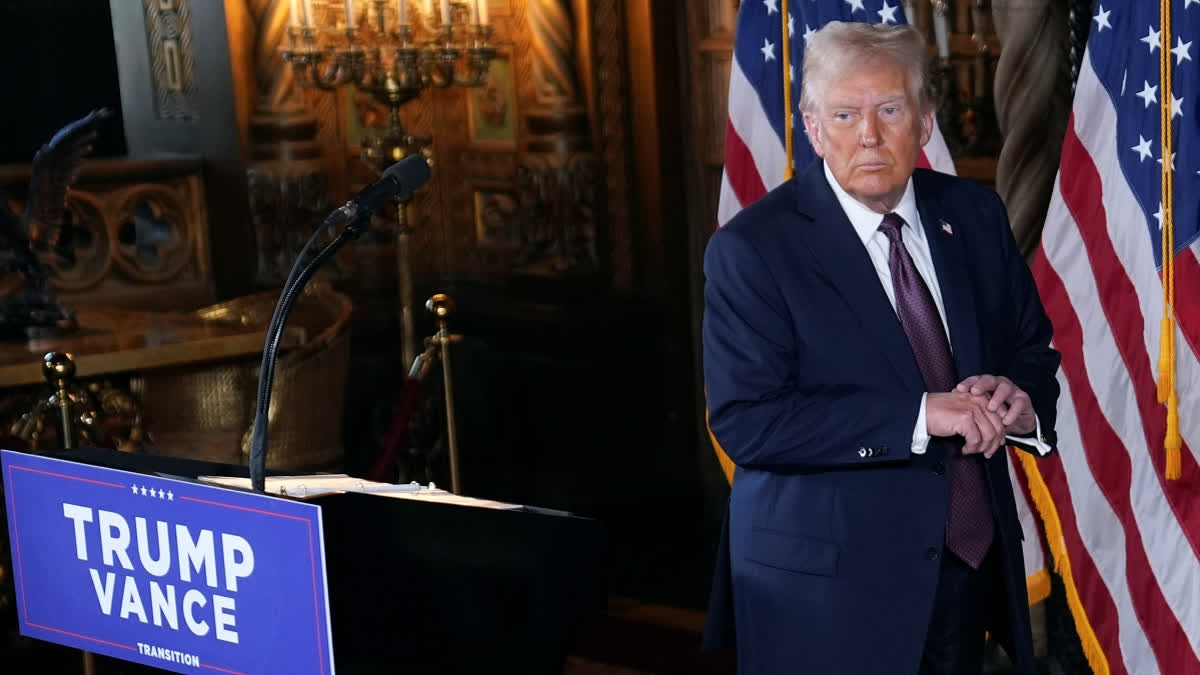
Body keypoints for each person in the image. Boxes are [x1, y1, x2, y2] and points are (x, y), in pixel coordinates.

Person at [700, 21, 1061, 675]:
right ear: (813, 128)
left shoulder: (975, 215)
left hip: (965, 572)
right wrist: (922, 415)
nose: (869, 134)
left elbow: (1032, 349)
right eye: (845, 113)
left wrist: (1022, 397)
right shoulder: (754, 249)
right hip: (828, 593)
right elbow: (747, 421)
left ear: (924, 121)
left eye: (889, 109)